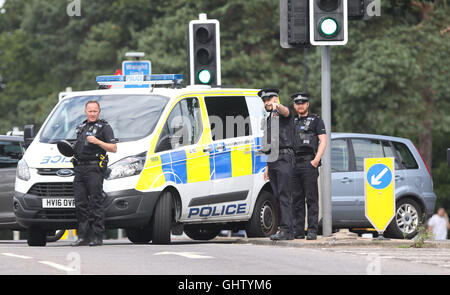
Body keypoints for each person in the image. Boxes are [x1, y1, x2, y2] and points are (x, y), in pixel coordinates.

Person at [71, 101, 117, 246]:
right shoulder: (81, 127)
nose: (92, 113)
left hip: (94, 169)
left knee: (96, 203)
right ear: (85, 111)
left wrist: (97, 141)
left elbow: (113, 148)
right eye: (90, 111)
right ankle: (83, 237)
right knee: (80, 204)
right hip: (79, 169)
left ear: (99, 112)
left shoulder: (105, 127)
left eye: (95, 111)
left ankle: (97, 236)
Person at [258, 88, 295, 240]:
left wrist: (277, 106)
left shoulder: (281, 112)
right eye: (264, 100)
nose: (266, 102)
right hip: (273, 159)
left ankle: (287, 230)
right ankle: (284, 229)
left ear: (275, 99)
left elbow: (286, 111)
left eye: (269, 99)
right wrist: (267, 165)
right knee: (278, 196)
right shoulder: (269, 119)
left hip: (284, 157)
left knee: (285, 195)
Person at [290, 92, 326, 240]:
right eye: (298, 103)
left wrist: (316, 160)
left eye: (303, 103)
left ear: (307, 104)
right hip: (294, 164)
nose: (300, 105)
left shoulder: (316, 120)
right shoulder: (292, 122)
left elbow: (323, 141)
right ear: (294, 105)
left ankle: (312, 231)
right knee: (296, 200)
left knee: (311, 199)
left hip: (309, 162)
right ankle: (298, 231)